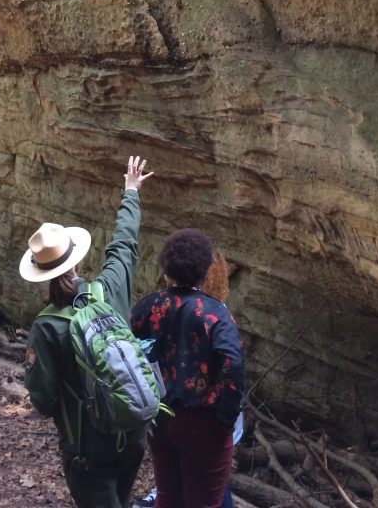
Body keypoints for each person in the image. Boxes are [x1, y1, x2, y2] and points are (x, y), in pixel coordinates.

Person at [21, 156, 153, 508]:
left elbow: (44, 399)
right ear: (76, 261)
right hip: (133, 428)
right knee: (121, 499)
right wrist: (130, 192)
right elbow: (124, 244)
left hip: (86, 444)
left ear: (41, 273)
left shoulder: (46, 327)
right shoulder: (110, 289)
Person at [130, 230, 244, 508]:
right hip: (204, 423)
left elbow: (128, 352)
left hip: (160, 417)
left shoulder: (146, 307)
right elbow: (233, 362)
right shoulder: (216, 314)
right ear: (205, 270)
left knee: (168, 497)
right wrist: (225, 419)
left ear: (166, 269)